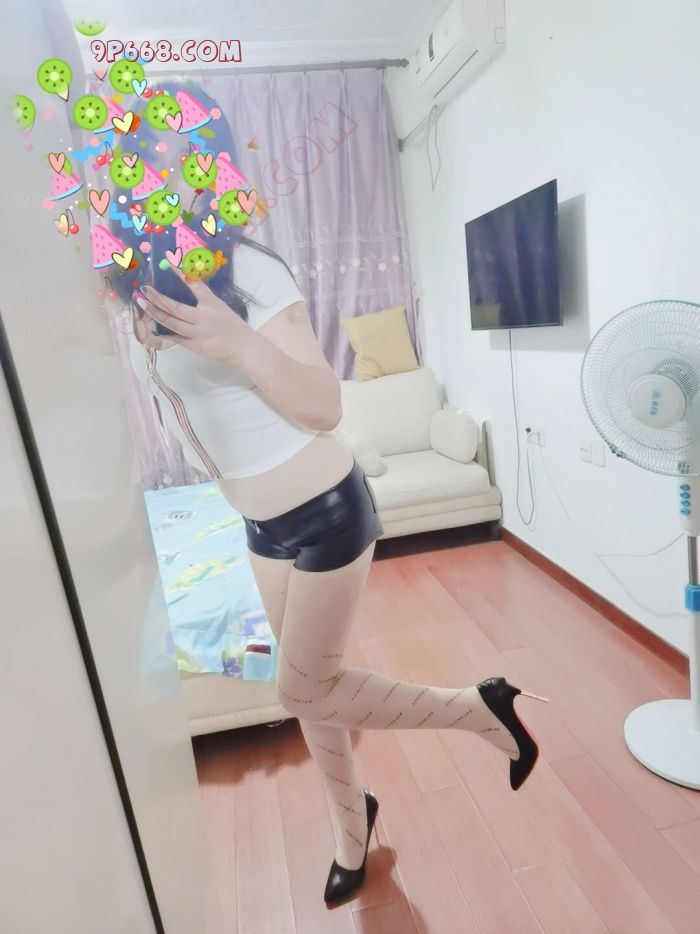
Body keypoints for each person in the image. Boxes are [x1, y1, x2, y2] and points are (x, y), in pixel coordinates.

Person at [112, 83, 549, 906]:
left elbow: (322, 405)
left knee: (300, 688)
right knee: (315, 689)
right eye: (145, 154)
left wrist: (240, 344)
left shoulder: (249, 270)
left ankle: (481, 708)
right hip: (258, 526)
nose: (163, 171)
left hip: (325, 513)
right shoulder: (141, 285)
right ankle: (355, 828)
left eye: (183, 153)